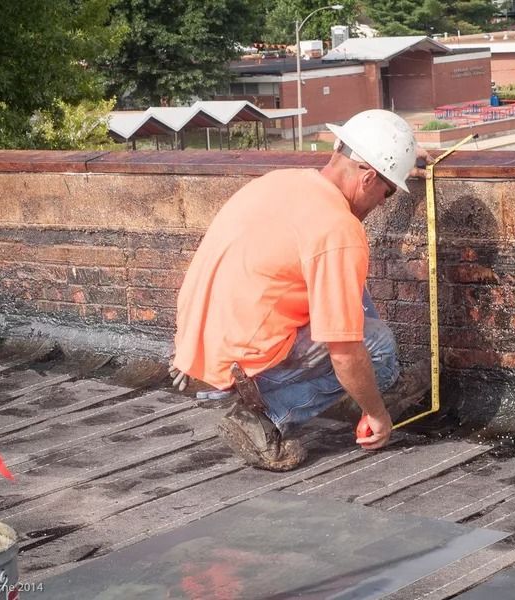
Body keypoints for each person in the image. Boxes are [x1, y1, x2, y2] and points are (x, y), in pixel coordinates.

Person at [169, 109, 431, 472]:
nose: (384, 203)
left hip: (203, 354)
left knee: (349, 286)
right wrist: (377, 413)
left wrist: (400, 160)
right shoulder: (337, 230)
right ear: (368, 176)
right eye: (386, 191)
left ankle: (246, 396)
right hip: (243, 369)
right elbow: (344, 349)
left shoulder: (282, 182)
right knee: (380, 354)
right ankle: (268, 415)